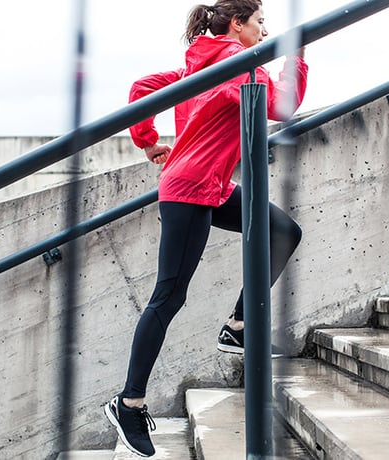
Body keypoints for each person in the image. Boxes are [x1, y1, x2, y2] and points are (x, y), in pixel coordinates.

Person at [104, 0, 308, 456]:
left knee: (283, 231)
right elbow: (282, 105)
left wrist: (149, 142)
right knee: (168, 296)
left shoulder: (202, 67)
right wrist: (296, 56)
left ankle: (238, 324)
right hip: (189, 190)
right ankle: (128, 402)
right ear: (237, 26)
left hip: (210, 187)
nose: (264, 30)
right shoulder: (235, 63)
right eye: (259, 23)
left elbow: (141, 88)